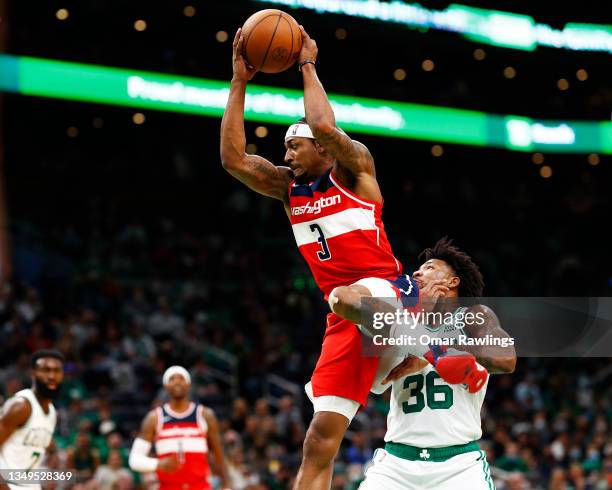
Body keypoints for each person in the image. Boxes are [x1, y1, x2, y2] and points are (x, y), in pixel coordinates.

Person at [220, 23, 487, 490]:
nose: (287, 154)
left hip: (386, 290)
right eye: (285, 148)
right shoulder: (288, 190)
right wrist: (239, 81)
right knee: (319, 440)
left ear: (320, 148)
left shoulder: (357, 170)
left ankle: (432, 348)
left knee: (344, 295)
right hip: (345, 317)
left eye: (294, 146)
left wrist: (306, 62)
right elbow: (234, 160)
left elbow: (323, 124)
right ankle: (424, 352)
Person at [336, 238, 517, 489]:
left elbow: (505, 359)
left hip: (458, 465)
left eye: (430, 267)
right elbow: (378, 383)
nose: (418, 271)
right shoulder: (402, 318)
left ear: (453, 282)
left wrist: (433, 346)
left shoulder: (473, 314)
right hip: (397, 463)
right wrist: (420, 331)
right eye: (420, 268)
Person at [128, 366, 231, 490]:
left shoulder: (205, 415)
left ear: (188, 384)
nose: (177, 381)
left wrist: (227, 484)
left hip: (200, 486)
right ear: (166, 386)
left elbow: (219, 454)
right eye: (172, 378)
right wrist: (157, 464)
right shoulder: (154, 418)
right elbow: (134, 460)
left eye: (181, 378)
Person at [0, 350, 65, 490]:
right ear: (33, 373)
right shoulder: (21, 406)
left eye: (57, 370)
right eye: (45, 370)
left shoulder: (52, 412)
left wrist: (53, 454)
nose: (52, 376)